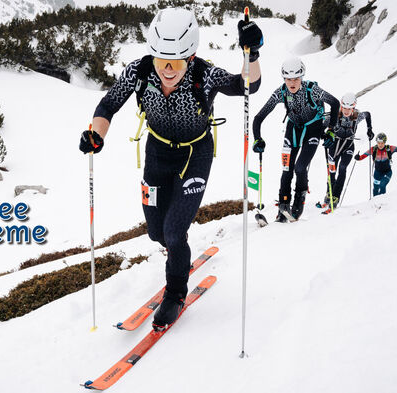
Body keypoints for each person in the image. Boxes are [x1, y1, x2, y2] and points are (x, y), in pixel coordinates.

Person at [78, 8, 263, 330]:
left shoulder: (204, 74)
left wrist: (253, 52)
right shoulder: (139, 71)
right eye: (161, 60)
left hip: (195, 154)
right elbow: (108, 104)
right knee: (156, 232)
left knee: (175, 232)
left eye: (176, 63)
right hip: (157, 152)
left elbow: (247, 84)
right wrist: (97, 134)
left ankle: (175, 292)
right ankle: (176, 252)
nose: (166, 70)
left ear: (190, 57)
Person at [252, 57, 340, 222]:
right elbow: (258, 117)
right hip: (293, 129)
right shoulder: (281, 92)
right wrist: (258, 139)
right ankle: (283, 207)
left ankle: (298, 202)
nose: (292, 83)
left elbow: (335, 103)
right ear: (284, 79)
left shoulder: (312, 90)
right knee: (287, 169)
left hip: (313, 129)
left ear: (302, 77)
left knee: (300, 168)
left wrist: (331, 131)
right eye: (288, 79)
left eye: (296, 79)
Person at [319, 92, 373, 211]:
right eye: (344, 107)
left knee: (342, 168)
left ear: (353, 107)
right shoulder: (334, 116)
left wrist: (370, 129)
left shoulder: (357, 116)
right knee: (332, 170)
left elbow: (368, 114)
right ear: (341, 106)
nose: (347, 111)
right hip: (334, 146)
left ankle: (336, 197)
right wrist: (323, 135)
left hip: (348, 147)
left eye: (349, 108)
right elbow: (321, 127)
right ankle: (329, 194)